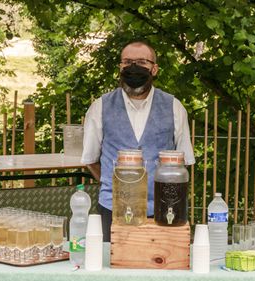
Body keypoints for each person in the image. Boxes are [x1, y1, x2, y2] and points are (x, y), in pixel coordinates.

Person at [81, 40, 195, 241]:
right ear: (120, 67)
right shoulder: (100, 106)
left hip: (164, 211)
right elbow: (90, 159)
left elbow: (183, 162)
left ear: (154, 69)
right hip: (113, 209)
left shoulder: (174, 107)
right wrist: (115, 184)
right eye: (127, 62)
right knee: (112, 266)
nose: (133, 68)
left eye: (141, 62)